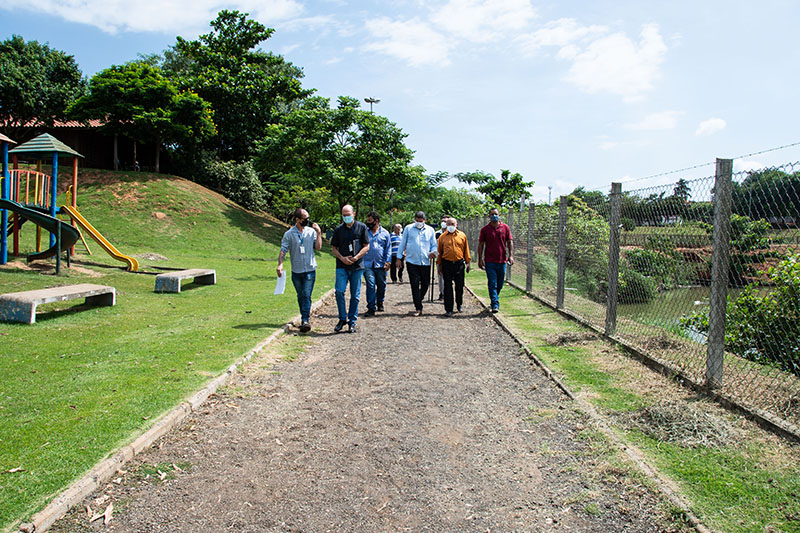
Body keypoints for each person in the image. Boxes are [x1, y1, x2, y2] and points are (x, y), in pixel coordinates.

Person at [277, 208, 322, 332]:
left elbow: (318, 247)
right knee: (300, 295)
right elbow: (283, 250)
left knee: (306, 294)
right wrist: (280, 264)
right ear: (297, 219)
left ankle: (305, 320)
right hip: (296, 270)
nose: (307, 221)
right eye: (304, 219)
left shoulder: (311, 232)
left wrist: (318, 233)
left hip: (310, 269)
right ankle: (304, 317)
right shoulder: (289, 234)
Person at [330, 204, 370, 333]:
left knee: (355, 295)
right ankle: (342, 318)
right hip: (342, 266)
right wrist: (342, 258)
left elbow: (366, 246)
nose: (346, 217)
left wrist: (357, 257)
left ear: (354, 214)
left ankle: (352, 321)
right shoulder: (338, 230)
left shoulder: (362, 227)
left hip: (357, 266)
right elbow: (334, 248)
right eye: (344, 215)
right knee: (339, 292)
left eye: (348, 214)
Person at [396, 211, 437, 316]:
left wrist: (433, 252)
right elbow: (402, 243)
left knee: (425, 284)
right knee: (414, 284)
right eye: (417, 221)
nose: (419, 222)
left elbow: (433, 245)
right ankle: (418, 307)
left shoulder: (430, 230)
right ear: (414, 219)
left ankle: (418, 298)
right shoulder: (408, 228)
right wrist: (399, 258)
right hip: (412, 261)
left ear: (425, 220)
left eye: (421, 221)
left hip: (425, 261)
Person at [478, 207, 514, 313]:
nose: (494, 216)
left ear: (499, 215)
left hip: (502, 260)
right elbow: (481, 245)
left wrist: (511, 255)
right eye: (492, 214)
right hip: (490, 261)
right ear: (489, 216)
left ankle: (495, 298)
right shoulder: (485, 230)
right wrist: (480, 259)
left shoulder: (505, 228)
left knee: (500, 283)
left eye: (496, 214)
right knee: (492, 283)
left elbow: (510, 242)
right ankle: (495, 304)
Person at [437, 217, 471, 317]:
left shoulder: (462, 235)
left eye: (452, 224)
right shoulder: (442, 237)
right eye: (449, 224)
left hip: (459, 263)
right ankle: (448, 309)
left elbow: (466, 249)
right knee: (447, 286)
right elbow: (439, 252)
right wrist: (439, 265)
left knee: (459, 286)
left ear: (456, 225)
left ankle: (459, 304)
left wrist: (468, 262)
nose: (450, 226)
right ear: (446, 225)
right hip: (447, 263)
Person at [362, 211, 391, 316]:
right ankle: (371, 307)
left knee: (381, 285)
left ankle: (380, 301)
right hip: (367, 263)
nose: (368, 223)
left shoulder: (385, 233)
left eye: (370, 221)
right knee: (370, 284)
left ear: (376, 221)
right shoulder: (365, 232)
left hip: (380, 264)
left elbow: (388, 248)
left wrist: (388, 261)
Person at [434, 215, 448, 300]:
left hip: (449, 258)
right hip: (439, 258)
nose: (444, 223)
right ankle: (442, 292)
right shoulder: (436, 234)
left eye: (445, 221)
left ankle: (447, 293)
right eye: (442, 221)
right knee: (440, 276)